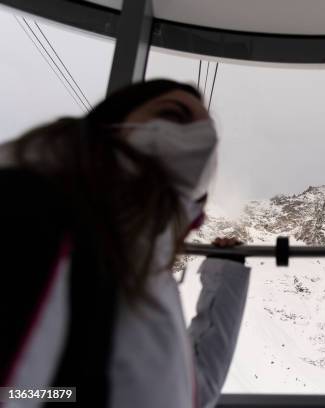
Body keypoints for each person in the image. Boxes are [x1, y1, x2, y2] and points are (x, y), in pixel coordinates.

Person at [0, 80, 250, 408]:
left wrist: (226, 272)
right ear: (112, 126)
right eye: (174, 115)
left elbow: (187, 394)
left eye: (209, 137)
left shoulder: (146, 260)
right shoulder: (32, 205)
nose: (198, 140)